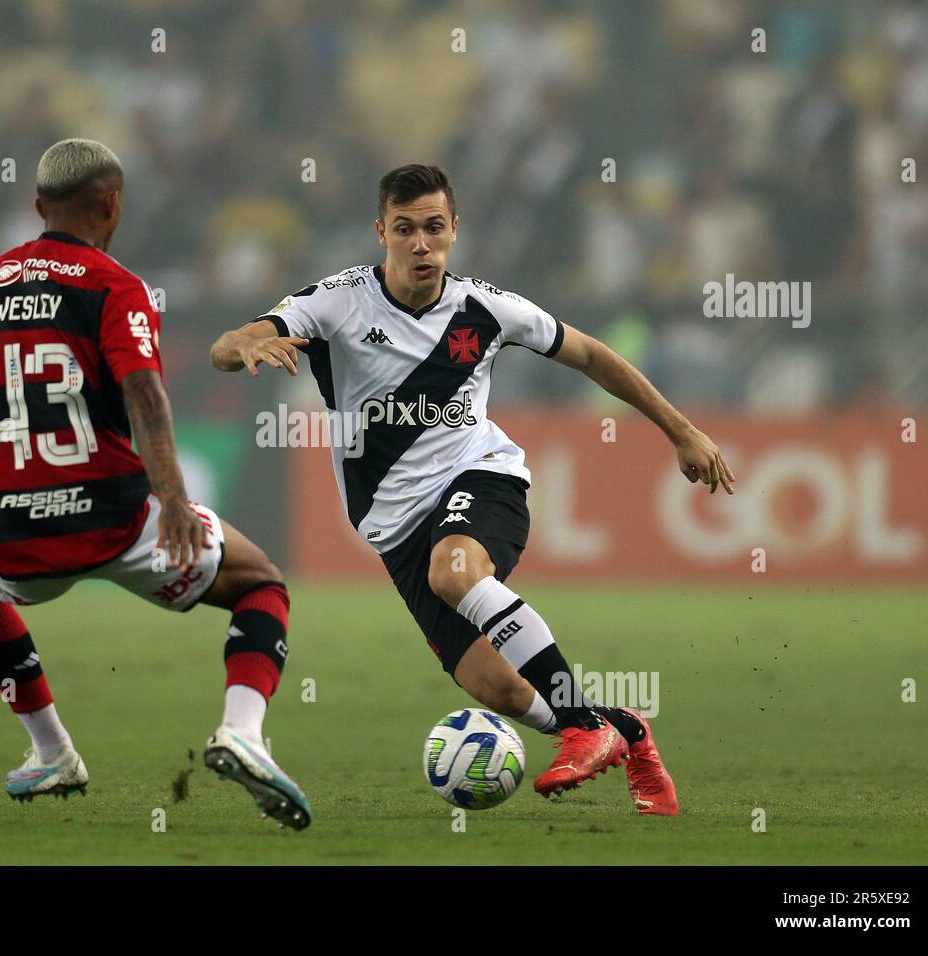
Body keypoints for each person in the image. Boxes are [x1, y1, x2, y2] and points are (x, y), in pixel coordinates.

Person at [0, 139, 310, 830]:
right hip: (117, 522)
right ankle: (242, 732)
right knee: (261, 583)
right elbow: (144, 394)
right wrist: (171, 499)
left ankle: (52, 751)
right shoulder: (114, 286)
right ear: (113, 204)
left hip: (13, 541)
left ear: (38, 206)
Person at [211, 165, 737, 815]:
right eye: (405, 230)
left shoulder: (486, 309)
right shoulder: (337, 302)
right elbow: (237, 342)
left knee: (455, 570)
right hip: (393, 529)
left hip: (480, 478)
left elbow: (593, 355)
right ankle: (624, 730)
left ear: (454, 230)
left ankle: (583, 728)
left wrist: (682, 432)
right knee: (504, 691)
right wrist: (242, 344)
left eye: (434, 228)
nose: (421, 244)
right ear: (382, 232)